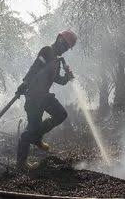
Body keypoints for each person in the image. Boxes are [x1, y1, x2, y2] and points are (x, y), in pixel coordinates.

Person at [15, 30, 78, 169]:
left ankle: (37, 136)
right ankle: (21, 164)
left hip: (44, 96)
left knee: (61, 114)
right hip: (34, 97)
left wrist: (67, 77)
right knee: (29, 131)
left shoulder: (56, 59)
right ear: (59, 40)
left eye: (68, 48)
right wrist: (24, 84)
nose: (66, 50)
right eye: (65, 46)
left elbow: (58, 80)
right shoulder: (47, 51)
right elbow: (34, 68)